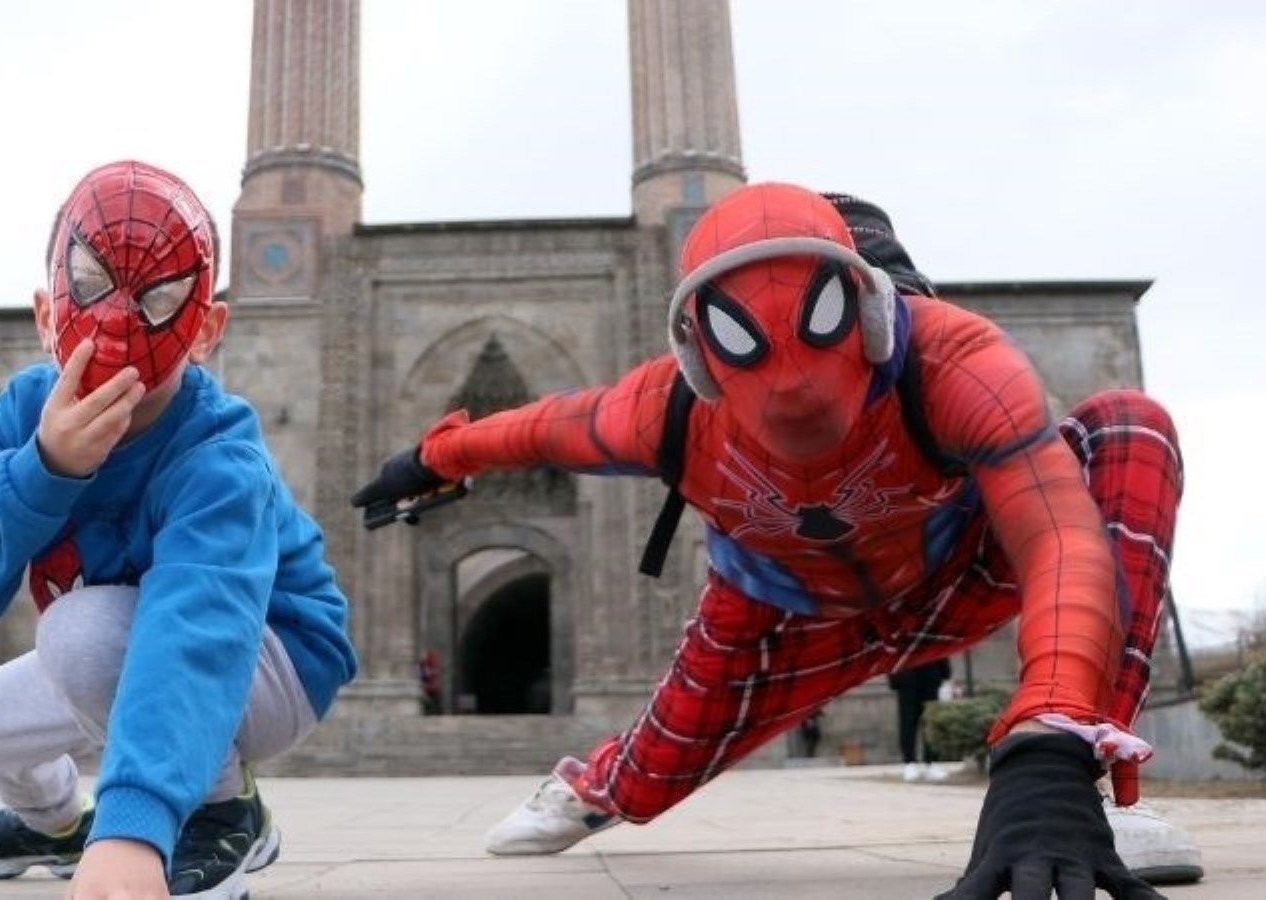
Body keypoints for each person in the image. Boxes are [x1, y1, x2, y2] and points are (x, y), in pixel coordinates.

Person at [352, 181, 1189, 898]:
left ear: (867, 310)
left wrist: (1046, 740)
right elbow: (538, 430)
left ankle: (1100, 787)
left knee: (1129, 432)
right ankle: (593, 786)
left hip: (956, 569)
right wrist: (428, 459)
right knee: (649, 771)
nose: (791, 382)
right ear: (701, 351)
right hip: (780, 608)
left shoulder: (956, 364)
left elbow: (1058, 541)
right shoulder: (669, 409)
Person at [0, 160, 358, 900]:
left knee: (78, 634)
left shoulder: (219, 458)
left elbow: (197, 627)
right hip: (123, 644)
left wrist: (136, 827)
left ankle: (222, 809)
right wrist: (44, 469)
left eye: (158, 298)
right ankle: (56, 825)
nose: (116, 323)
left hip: (274, 659)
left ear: (206, 327)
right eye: (87, 287)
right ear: (47, 313)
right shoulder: (24, 414)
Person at [889, 658, 952, 782]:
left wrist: (945, 674)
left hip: (931, 673)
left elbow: (939, 646)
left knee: (931, 719)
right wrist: (893, 677)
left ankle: (931, 762)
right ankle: (909, 762)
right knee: (907, 721)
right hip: (906, 674)